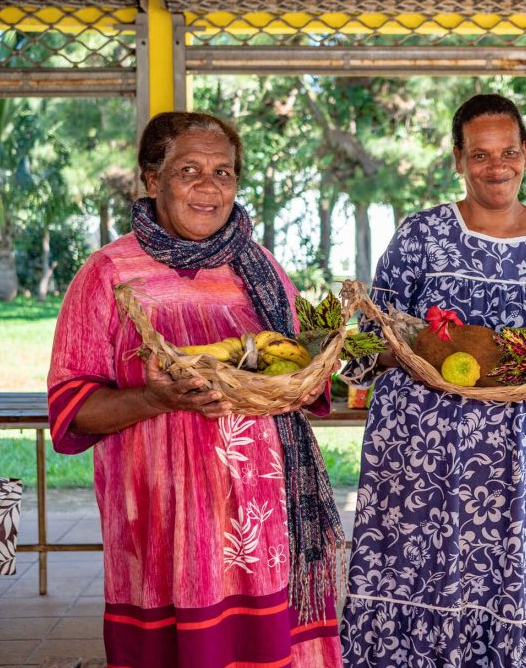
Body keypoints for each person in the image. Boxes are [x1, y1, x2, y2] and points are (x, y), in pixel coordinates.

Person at [47, 112, 345, 667]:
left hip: (265, 526)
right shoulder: (109, 274)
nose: (210, 187)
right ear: (152, 180)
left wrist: (304, 380)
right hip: (166, 528)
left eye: (224, 172)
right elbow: (71, 408)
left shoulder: (262, 269)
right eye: (190, 170)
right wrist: (153, 398)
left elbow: (302, 373)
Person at [339, 93, 526, 666]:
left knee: (508, 582)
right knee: (409, 575)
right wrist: (416, 352)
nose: (495, 166)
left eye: (507, 152)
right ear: (458, 159)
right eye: (479, 154)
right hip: (416, 455)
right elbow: (365, 340)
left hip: (515, 457)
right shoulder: (420, 235)